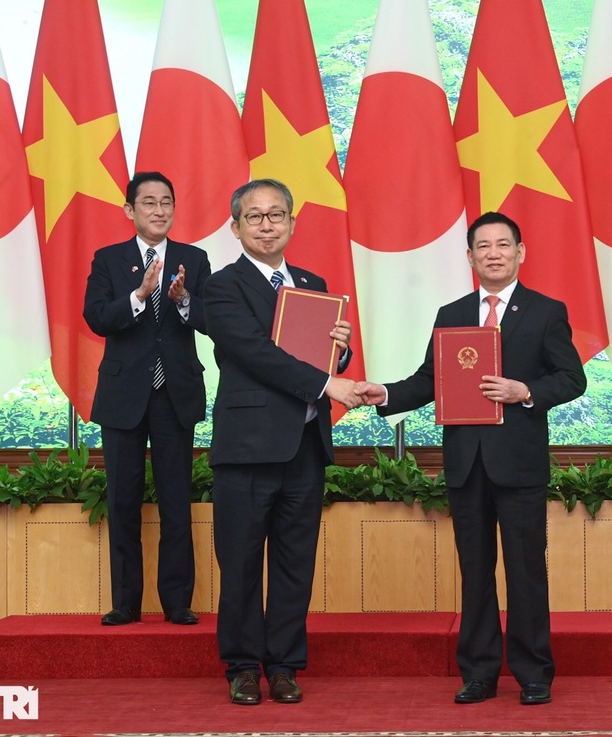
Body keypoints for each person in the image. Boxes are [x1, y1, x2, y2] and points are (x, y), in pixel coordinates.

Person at [355, 212, 586, 706]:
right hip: (466, 463)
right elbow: (427, 380)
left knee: (526, 570)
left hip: (519, 465)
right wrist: (386, 393)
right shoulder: (452, 313)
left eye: (504, 244)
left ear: (520, 252)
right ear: (469, 257)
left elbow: (573, 379)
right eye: (483, 246)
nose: (494, 253)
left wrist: (525, 391)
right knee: (475, 570)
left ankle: (533, 672)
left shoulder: (546, 311)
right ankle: (479, 671)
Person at [203, 178, 360, 707]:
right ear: (236, 227)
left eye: (276, 215)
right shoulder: (222, 287)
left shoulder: (313, 283)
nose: (267, 224)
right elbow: (253, 353)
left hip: (305, 446)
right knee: (242, 561)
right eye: (255, 216)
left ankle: (286, 664)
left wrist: (339, 352)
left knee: (296, 563)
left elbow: (319, 355)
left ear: (292, 222)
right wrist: (327, 382)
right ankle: (244, 667)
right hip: (247, 448)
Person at [83, 170, 211, 628]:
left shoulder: (193, 259)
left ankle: (177, 601)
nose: (159, 211)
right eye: (149, 203)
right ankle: (126, 602)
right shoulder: (109, 259)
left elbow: (210, 317)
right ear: (130, 211)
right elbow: (96, 317)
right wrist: (139, 295)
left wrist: (181, 300)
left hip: (174, 393)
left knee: (177, 498)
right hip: (123, 394)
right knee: (122, 499)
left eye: (166, 203)